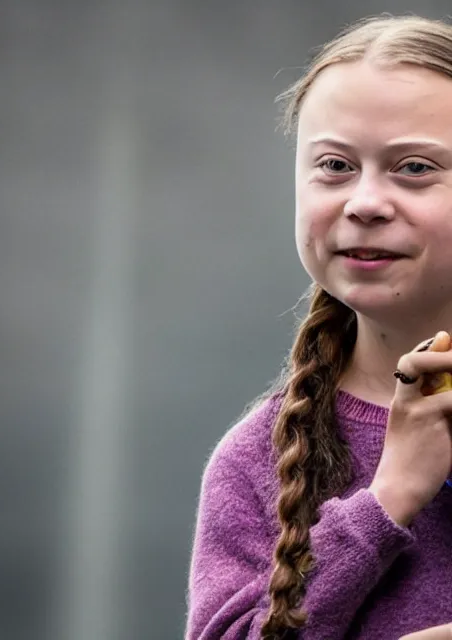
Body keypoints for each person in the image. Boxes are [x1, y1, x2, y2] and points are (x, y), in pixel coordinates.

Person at [184, 13, 452, 640]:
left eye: (414, 167)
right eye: (334, 165)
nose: (364, 202)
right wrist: (388, 496)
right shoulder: (259, 460)